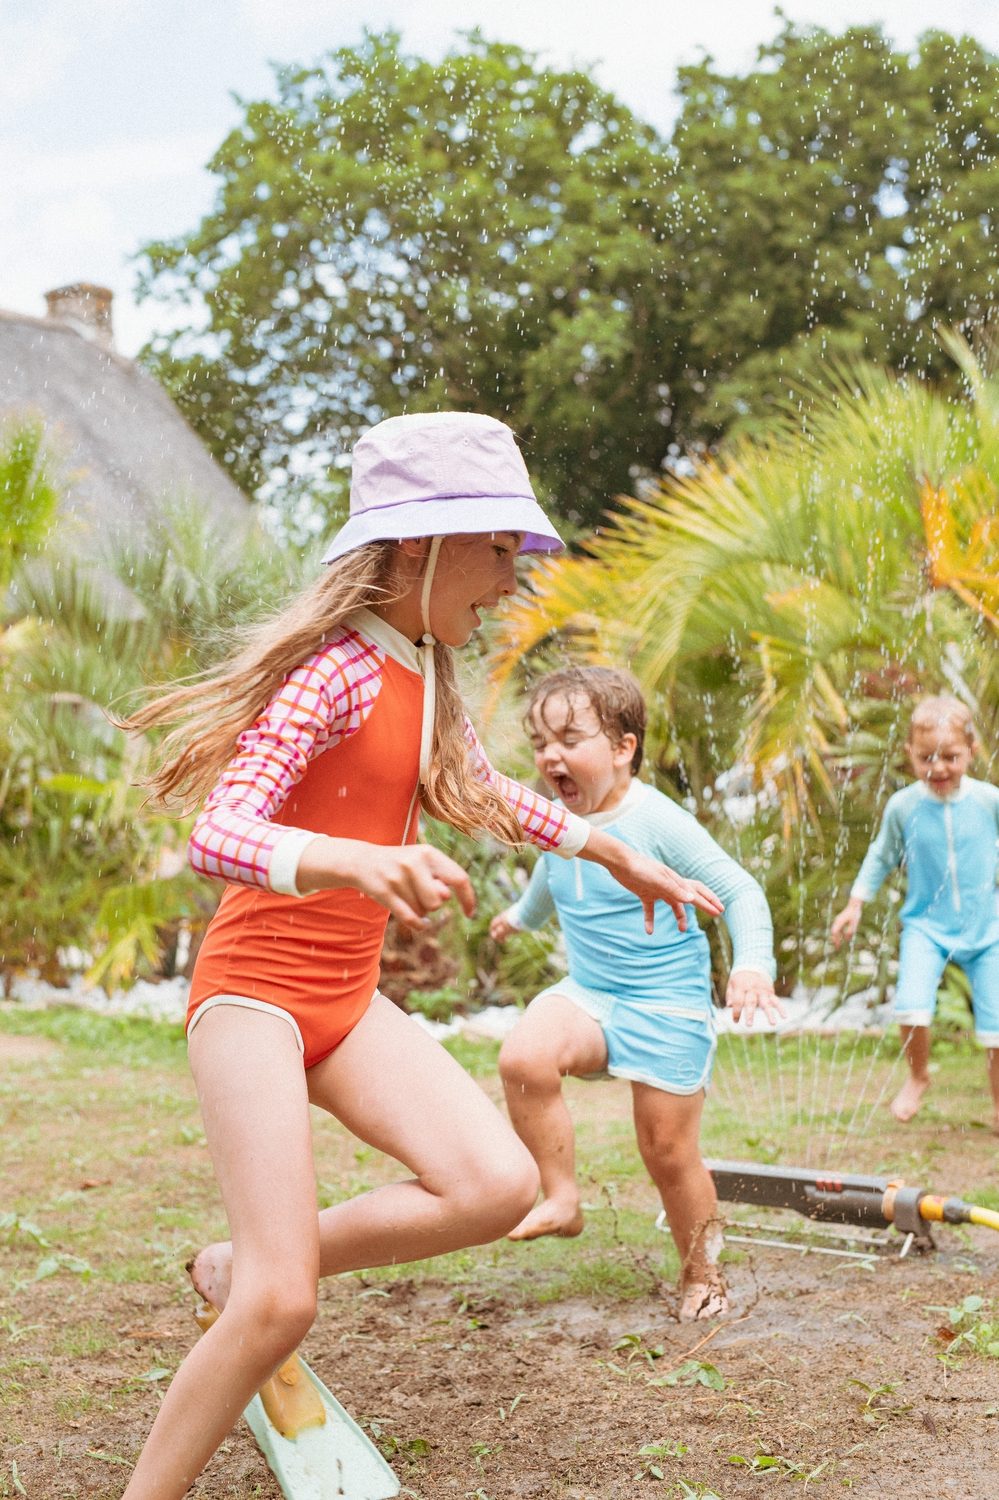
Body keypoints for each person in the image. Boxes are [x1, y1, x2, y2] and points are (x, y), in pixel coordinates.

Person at [117, 413, 725, 1499]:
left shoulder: (428, 671)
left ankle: (240, 1264)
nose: (509, 579)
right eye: (496, 549)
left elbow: (484, 790)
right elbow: (220, 832)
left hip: (344, 1003)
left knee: (497, 1184)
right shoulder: (334, 672)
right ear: (417, 548)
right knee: (281, 1306)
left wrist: (617, 853)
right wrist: (355, 861)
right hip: (255, 998)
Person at [489, 665, 782, 1322]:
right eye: (540, 743)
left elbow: (738, 889)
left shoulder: (655, 820)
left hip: (664, 1004)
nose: (550, 757)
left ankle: (703, 1276)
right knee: (523, 1058)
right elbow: (549, 875)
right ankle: (562, 1197)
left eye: (569, 739)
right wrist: (520, 917)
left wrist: (752, 965)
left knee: (668, 1153)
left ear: (623, 747)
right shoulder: (557, 819)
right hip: (590, 994)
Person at [831, 695, 999, 1127]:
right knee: (910, 1008)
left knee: (997, 1028)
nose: (938, 768)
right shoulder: (903, 807)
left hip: (988, 929)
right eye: (926, 758)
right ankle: (918, 1076)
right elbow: (880, 856)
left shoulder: (988, 801)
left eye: (950, 757)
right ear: (909, 753)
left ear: (972, 751)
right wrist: (855, 904)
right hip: (926, 927)